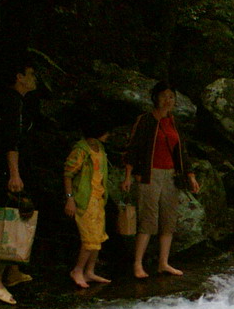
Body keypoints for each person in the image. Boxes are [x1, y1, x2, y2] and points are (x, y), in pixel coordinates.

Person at [121, 81, 199, 278]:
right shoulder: (146, 120)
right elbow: (133, 148)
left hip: (171, 175)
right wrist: (128, 176)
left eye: (171, 96)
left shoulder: (173, 122)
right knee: (148, 219)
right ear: (155, 97)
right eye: (164, 96)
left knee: (168, 220)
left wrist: (190, 175)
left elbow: (181, 151)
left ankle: (163, 263)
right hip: (149, 174)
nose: (168, 100)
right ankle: (137, 264)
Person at [0, 58, 38, 305]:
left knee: (19, 217)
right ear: (19, 77)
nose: (35, 78)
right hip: (6, 172)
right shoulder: (12, 103)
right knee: (8, 220)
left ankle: (12, 271)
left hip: (12, 169)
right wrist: (14, 174)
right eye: (31, 74)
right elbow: (10, 141)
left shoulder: (17, 102)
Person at [63, 113, 113, 288]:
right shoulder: (80, 151)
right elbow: (68, 175)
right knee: (88, 237)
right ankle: (77, 270)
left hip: (98, 198)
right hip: (85, 199)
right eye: (106, 131)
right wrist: (70, 199)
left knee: (97, 236)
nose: (109, 135)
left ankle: (89, 271)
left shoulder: (99, 148)